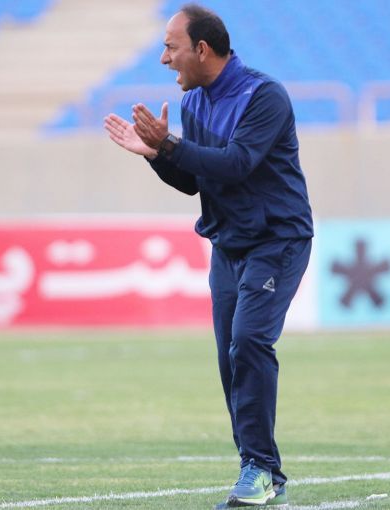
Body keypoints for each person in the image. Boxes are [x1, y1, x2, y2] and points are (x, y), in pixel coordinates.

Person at [104, 3, 313, 507]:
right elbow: (196, 180)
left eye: (170, 47)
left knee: (249, 342)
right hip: (228, 244)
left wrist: (169, 145)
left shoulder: (263, 95)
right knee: (229, 357)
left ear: (202, 49)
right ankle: (262, 471)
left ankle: (258, 468)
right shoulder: (195, 102)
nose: (163, 59)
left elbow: (237, 164)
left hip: (276, 241)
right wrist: (157, 154)